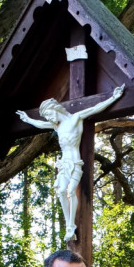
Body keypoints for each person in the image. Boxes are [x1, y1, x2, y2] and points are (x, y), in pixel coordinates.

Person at [16, 85, 124, 240]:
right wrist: (27, 119)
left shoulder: (75, 118)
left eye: (50, 114)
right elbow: (40, 125)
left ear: (56, 109)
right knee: (60, 191)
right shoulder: (56, 126)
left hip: (75, 162)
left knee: (71, 190)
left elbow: (96, 108)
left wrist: (114, 97)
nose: (50, 119)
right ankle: (70, 226)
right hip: (64, 164)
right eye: (47, 117)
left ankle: (71, 226)